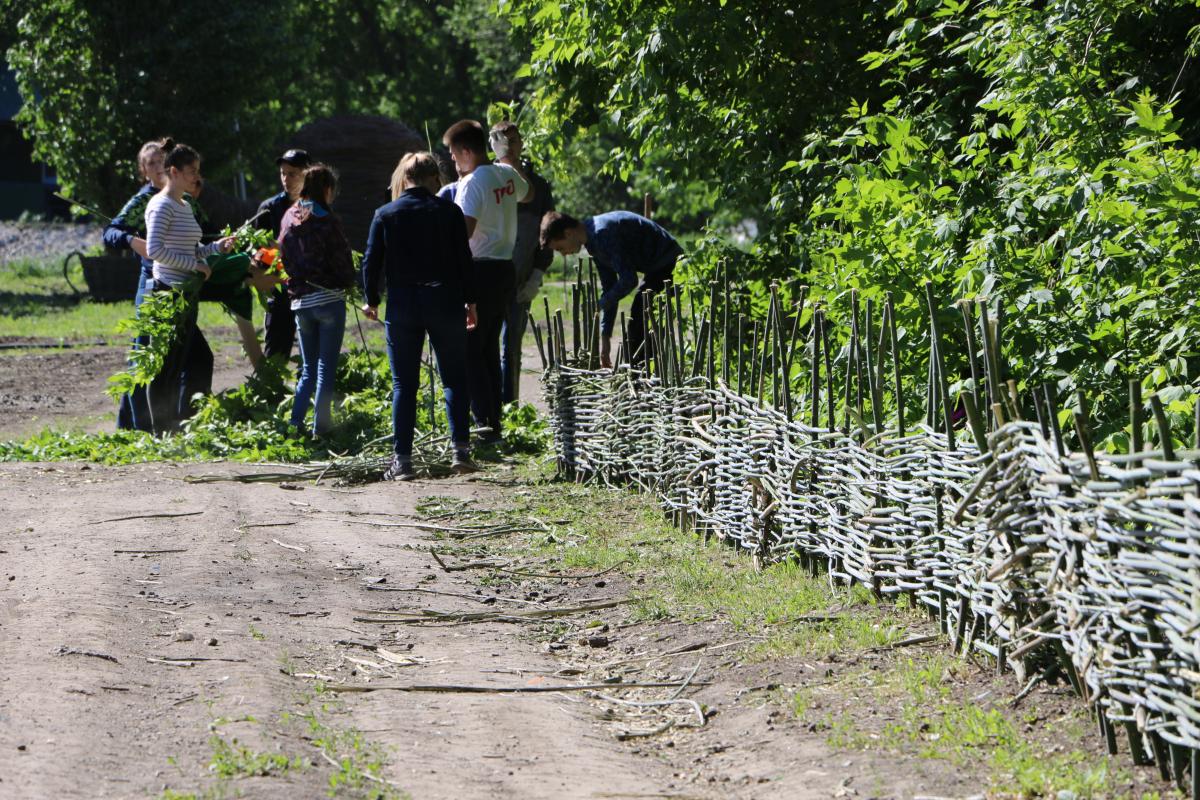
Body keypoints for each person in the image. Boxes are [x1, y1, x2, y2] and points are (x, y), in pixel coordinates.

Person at [362, 151, 477, 481]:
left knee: (404, 384)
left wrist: (371, 299)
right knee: (454, 377)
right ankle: (461, 452)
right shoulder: (450, 212)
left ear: (405, 178)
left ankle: (403, 461)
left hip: (403, 305)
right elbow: (463, 260)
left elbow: (371, 262)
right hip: (445, 300)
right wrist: (470, 300)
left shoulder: (385, 213)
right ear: (433, 178)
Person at [439, 120, 531, 442]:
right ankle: (495, 421)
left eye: (453, 155)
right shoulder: (505, 174)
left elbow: (462, 233)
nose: (452, 162)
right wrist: (509, 157)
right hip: (506, 269)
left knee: (470, 352)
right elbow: (527, 192)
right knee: (490, 348)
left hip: (480, 270)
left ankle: (484, 425)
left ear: (466, 152)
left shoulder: (472, 182)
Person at [143, 140, 235, 432]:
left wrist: (215, 248)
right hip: (167, 293)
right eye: (192, 170)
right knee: (168, 366)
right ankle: (162, 431)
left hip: (185, 294)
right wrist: (193, 266)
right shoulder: (161, 205)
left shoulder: (184, 204)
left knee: (198, 359)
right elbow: (155, 250)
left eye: (197, 170)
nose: (197, 176)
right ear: (174, 171)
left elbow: (190, 249)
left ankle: (186, 423)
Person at [540, 210, 682, 369]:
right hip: (657, 268)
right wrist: (605, 337)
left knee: (641, 318)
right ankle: (640, 374)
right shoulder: (593, 240)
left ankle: (639, 377)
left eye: (560, 248)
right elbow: (610, 287)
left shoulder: (602, 234)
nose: (564, 254)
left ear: (568, 233)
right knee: (640, 319)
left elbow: (629, 280)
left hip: (670, 263)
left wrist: (598, 305)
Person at [278, 164, 355, 437]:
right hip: (328, 299)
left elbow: (282, 257)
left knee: (308, 369)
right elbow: (341, 258)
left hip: (300, 303)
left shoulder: (289, 216)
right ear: (326, 189)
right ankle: (320, 429)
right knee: (325, 369)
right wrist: (349, 281)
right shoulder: (328, 219)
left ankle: (295, 423)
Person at [103, 138, 168, 431]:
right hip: (151, 282)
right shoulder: (143, 199)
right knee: (142, 353)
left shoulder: (180, 195)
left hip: (177, 282)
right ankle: (131, 426)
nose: (159, 167)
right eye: (151, 163)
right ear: (144, 171)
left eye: (162, 161)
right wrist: (133, 241)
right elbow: (110, 232)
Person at [489, 121, 555, 404]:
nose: (511, 146)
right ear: (494, 145)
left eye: (515, 140)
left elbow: (547, 233)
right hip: (488, 279)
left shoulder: (537, 187)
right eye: (504, 141)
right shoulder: (485, 179)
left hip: (521, 281)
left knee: (512, 346)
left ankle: (511, 407)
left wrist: (537, 275)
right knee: (485, 346)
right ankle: (488, 409)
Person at [255, 148, 312, 360]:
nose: (286, 179)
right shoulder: (269, 208)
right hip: (280, 291)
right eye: (283, 173)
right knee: (276, 356)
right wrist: (274, 268)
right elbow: (259, 253)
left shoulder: (316, 206)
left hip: (310, 291)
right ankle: (271, 392)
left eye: (292, 174)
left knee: (312, 356)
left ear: (307, 173)